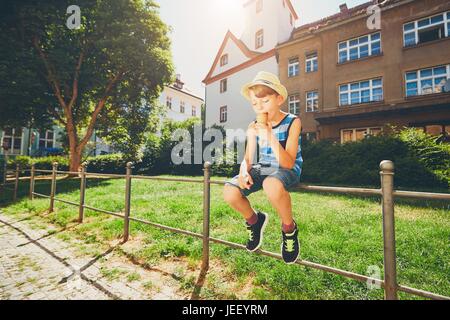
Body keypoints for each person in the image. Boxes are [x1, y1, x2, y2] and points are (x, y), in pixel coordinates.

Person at [223, 71, 303, 264]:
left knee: (271, 184)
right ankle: (254, 221)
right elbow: (248, 158)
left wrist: (269, 135)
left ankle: (289, 229)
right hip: (264, 167)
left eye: (265, 101)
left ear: (279, 99)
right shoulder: (253, 126)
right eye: (255, 103)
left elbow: (288, 162)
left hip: (287, 168)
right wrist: (244, 170)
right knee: (229, 191)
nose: (259, 107)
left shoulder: (293, 121)